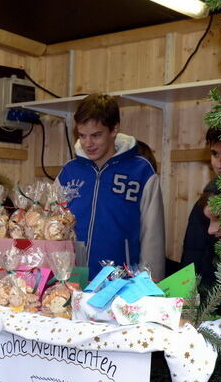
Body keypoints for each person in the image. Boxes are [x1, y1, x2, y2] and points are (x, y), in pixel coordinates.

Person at [57, 94, 166, 278]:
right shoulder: (68, 172)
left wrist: (151, 286)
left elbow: (152, 238)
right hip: (71, 280)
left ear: (114, 129)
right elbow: (51, 229)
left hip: (121, 283)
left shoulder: (141, 172)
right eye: (82, 135)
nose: (88, 143)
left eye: (96, 135)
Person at [181, 128, 221, 292]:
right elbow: (192, 252)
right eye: (214, 153)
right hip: (201, 290)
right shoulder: (205, 199)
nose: (219, 162)